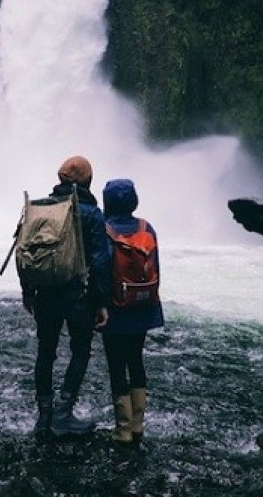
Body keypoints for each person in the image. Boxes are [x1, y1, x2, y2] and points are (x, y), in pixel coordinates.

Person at [20, 155, 111, 438]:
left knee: (45, 352)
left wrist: (28, 291)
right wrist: (101, 301)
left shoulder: (40, 208)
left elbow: (26, 251)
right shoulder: (92, 214)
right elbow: (99, 262)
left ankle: (43, 416)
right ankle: (63, 413)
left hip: (45, 293)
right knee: (80, 350)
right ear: (87, 181)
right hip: (78, 296)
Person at [101, 178, 164, 444]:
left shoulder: (105, 230)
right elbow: (156, 266)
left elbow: (102, 272)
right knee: (136, 360)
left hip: (116, 309)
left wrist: (99, 305)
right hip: (143, 305)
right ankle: (138, 425)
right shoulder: (146, 227)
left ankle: (123, 429)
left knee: (117, 364)